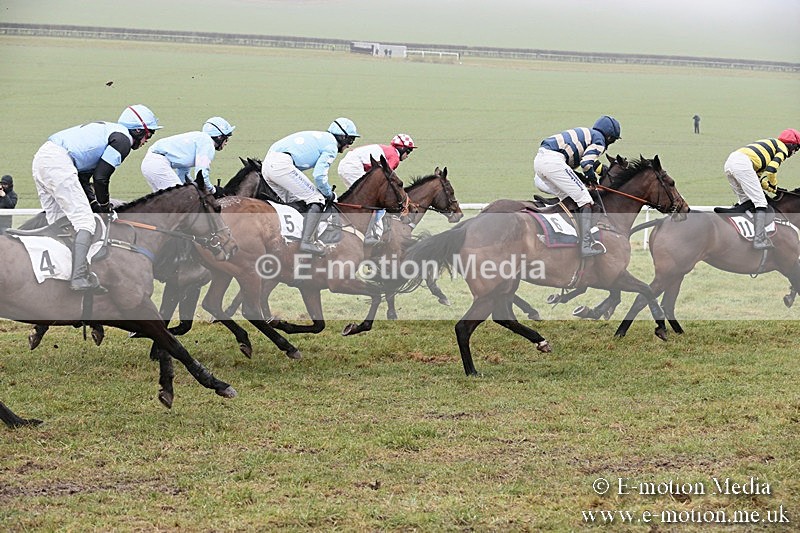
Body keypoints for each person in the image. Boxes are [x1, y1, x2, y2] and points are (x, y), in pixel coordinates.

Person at [31, 104, 162, 291]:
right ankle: (78, 278)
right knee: (86, 223)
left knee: (60, 224)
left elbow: (85, 178)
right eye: (149, 134)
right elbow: (100, 178)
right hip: (58, 162)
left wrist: (95, 203)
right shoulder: (123, 140)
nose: (147, 140)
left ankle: (55, 277)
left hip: (43, 158)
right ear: (139, 130)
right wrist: (105, 208)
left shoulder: (112, 131)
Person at [262, 117, 360, 255]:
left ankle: (289, 238)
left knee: (294, 203)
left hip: (268, 165)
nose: (350, 144)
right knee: (317, 199)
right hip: (281, 164)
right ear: (342, 137)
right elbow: (319, 176)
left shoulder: (323, 138)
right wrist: (328, 194)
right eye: (350, 140)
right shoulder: (331, 146)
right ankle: (306, 242)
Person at [533, 115, 621, 257]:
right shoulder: (599, 140)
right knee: (585, 200)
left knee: (569, 200)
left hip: (541, 161)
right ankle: (585, 245)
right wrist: (591, 178)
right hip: (553, 162)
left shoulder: (589, 135)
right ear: (610, 137)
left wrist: (601, 170)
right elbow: (586, 164)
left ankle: (556, 234)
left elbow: (587, 161)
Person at [723, 128, 800, 250]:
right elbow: (771, 170)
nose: (795, 152)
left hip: (731, 163)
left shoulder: (770, 146)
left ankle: (740, 229)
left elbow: (756, 180)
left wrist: (772, 188)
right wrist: (774, 183)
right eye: (796, 148)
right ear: (791, 145)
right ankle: (759, 239)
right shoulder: (782, 149)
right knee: (761, 203)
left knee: (747, 201)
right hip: (742, 164)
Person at [337, 134, 417, 245]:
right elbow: (387, 177)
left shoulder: (388, 150)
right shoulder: (394, 156)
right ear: (402, 148)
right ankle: (368, 234)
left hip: (348, 165)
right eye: (408, 152)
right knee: (371, 200)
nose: (407, 155)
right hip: (353, 167)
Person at [141, 116, 234, 195]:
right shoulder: (207, 143)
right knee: (182, 199)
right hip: (158, 164)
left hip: (151, 164)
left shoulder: (199, 140)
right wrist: (214, 190)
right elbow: (201, 174)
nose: (226, 143)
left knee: (166, 203)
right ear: (219, 137)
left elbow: (183, 175)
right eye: (226, 138)